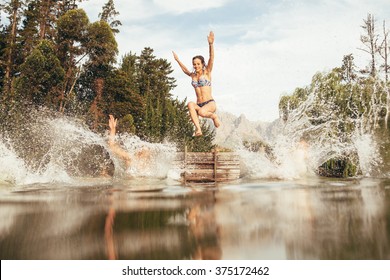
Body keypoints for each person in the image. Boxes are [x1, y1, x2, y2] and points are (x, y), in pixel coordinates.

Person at [173, 31, 221, 137]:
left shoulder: (207, 72)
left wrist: (211, 44)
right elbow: (185, 70)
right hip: (199, 105)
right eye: (194, 64)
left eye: (198, 64)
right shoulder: (193, 76)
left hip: (209, 104)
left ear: (202, 64)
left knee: (202, 113)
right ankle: (198, 129)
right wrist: (177, 60)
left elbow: (211, 58)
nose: (196, 66)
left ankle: (214, 117)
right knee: (190, 104)